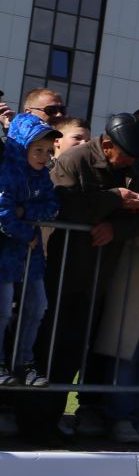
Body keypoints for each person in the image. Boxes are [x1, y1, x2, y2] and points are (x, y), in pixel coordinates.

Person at [52, 113, 139, 444]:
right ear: (106, 145)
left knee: (82, 352)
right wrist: (115, 198)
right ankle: (40, 418)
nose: (130, 162)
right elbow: (65, 208)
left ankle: (74, 416)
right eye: (126, 155)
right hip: (61, 272)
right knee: (53, 351)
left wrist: (117, 228)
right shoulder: (75, 160)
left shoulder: (138, 168)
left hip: (102, 277)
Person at [0, 122, 61, 391]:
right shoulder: (7, 174)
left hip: (30, 255)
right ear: (21, 149)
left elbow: (52, 206)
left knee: (38, 306)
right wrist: (28, 233)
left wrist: (25, 213)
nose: (44, 157)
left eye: (48, 151)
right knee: (2, 311)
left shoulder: (43, 177)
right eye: (37, 150)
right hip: (7, 253)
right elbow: (3, 214)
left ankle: (23, 361)